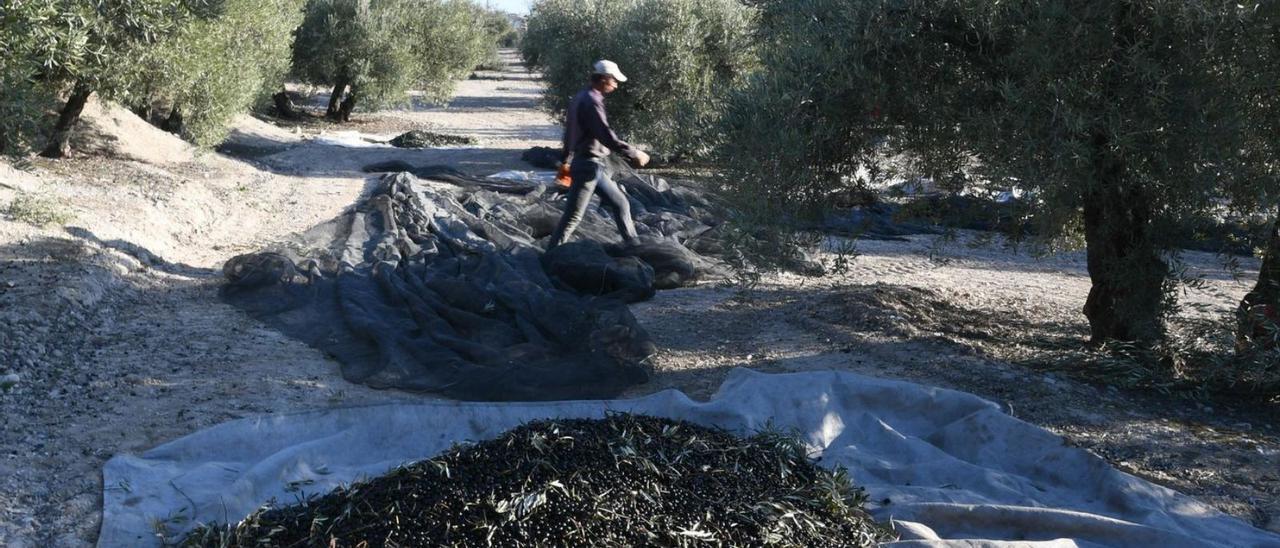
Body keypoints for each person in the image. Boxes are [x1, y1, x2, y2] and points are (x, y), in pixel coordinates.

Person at [546, 60, 650, 249]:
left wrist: (565, 161)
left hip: (592, 166)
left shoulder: (580, 97)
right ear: (604, 79)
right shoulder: (592, 102)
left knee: (621, 204)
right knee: (573, 217)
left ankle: (636, 247)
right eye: (614, 80)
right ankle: (551, 256)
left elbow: (569, 133)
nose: (616, 85)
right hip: (587, 167)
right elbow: (606, 136)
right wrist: (635, 153)